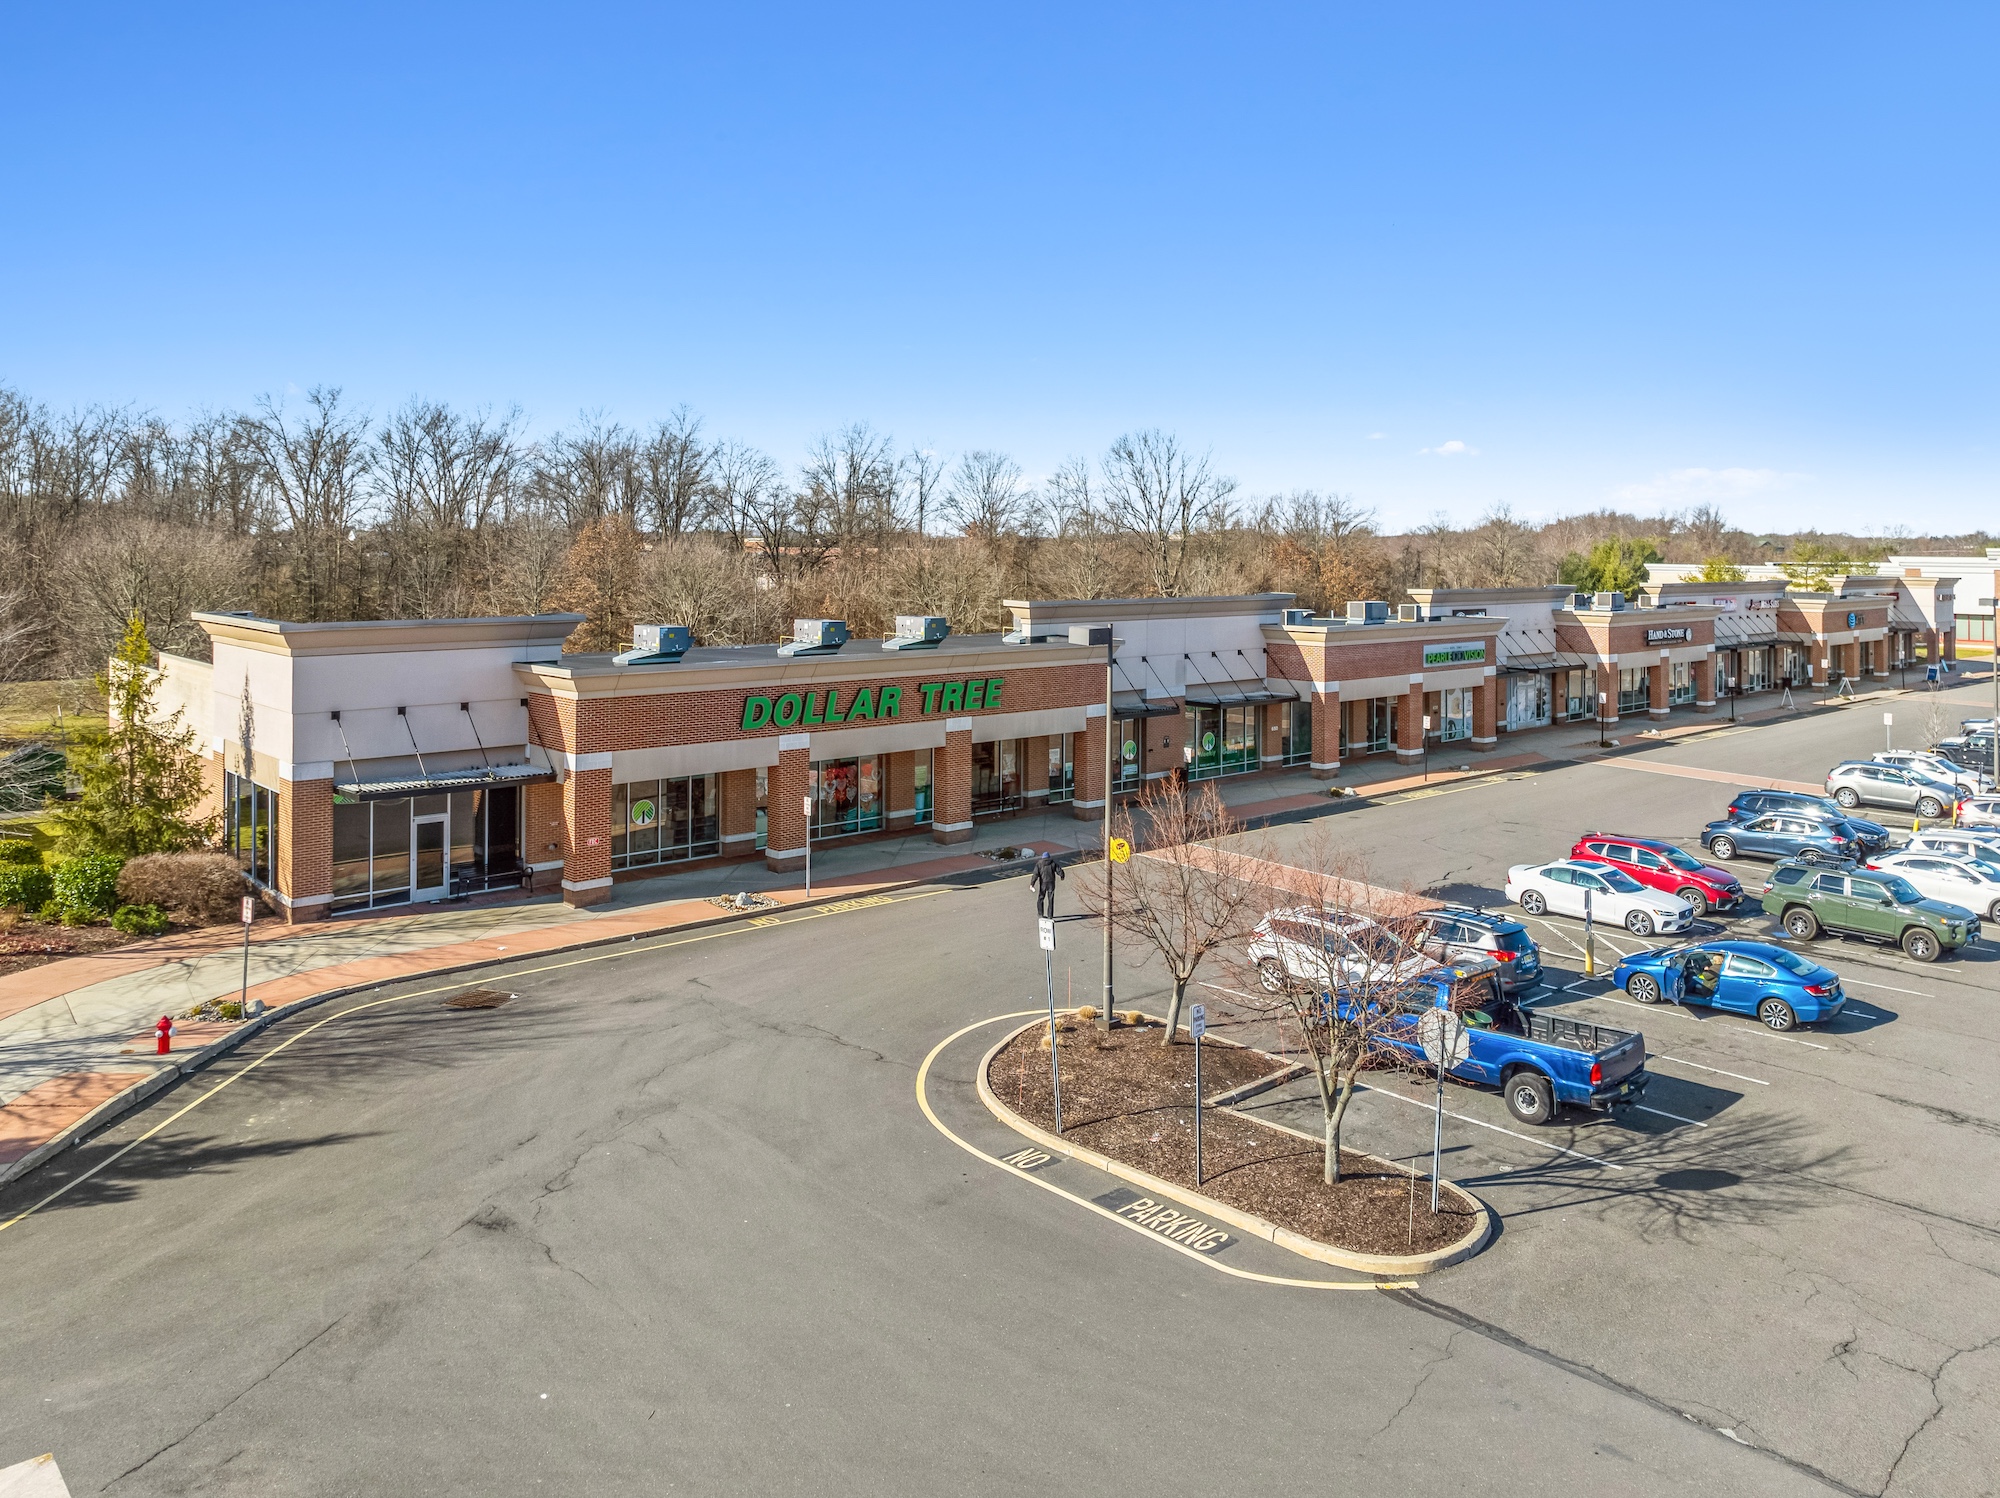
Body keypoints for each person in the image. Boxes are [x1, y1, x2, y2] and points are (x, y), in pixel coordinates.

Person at [1029, 851, 1064, 919]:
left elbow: (1035, 875)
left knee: (1041, 898)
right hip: (1051, 883)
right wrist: (1062, 876)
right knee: (1050, 899)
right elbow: (1059, 870)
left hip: (1043, 883)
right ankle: (1050, 915)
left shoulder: (1039, 864)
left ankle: (1040, 914)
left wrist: (1032, 884)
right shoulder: (1053, 863)